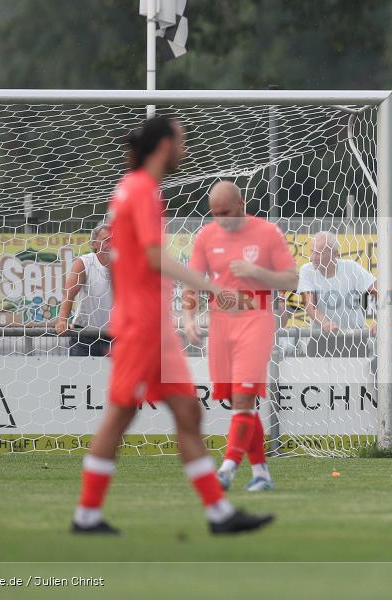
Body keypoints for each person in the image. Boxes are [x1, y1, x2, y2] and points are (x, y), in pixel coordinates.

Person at [71, 116, 273, 536]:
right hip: (141, 328)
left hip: (154, 328)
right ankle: (87, 515)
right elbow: (152, 257)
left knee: (188, 411)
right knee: (120, 416)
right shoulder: (142, 190)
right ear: (164, 146)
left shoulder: (134, 188)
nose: (186, 149)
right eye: (182, 142)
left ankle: (219, 514)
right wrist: (212, 287)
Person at [183, 181, 298, 493]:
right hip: (220, 324)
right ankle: (261, 474)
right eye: (215, 213)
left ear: (241, 203)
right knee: (239, 403)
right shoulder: (206, 236)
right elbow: (192, 281)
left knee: (245, 398)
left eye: (226, 212)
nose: (220, 219)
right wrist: (189, 318)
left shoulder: (267, 232)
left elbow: (292, 280)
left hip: (256, 318)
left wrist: (256, 272)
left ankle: (226, 470)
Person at [298, 231, 376, 357]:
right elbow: (310, 305)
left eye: (320, 253)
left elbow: (378, 290)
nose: (313, 258)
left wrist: (380, 320)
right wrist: (325, 323)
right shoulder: (307, 270)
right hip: (321, 338)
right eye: (312, 252)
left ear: (334, 254)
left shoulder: (351, 268)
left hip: (353, 338)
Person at [55, 222, 113, 356]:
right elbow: (69, 294)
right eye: (106, 240)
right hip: (84, 335)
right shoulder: (84, 263)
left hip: (115, 336)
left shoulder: (125, 264)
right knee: (80, 369)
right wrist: (62, 320)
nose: (110, 244)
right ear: (94, 244)